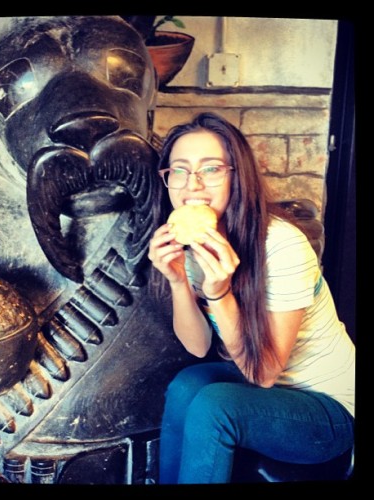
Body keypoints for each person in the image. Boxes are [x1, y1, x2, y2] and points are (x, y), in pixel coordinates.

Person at [147, 112, 355, 484]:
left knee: (215, 407)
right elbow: (198, 347)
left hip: (328, 409)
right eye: (179, 170)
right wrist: (178, 281)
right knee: (187, 384)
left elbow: (264, 373)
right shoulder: (195, 243)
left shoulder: (282, 245)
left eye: (210, 169)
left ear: (236, 177)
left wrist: (220, 293)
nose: (192, 184)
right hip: (263, 385)